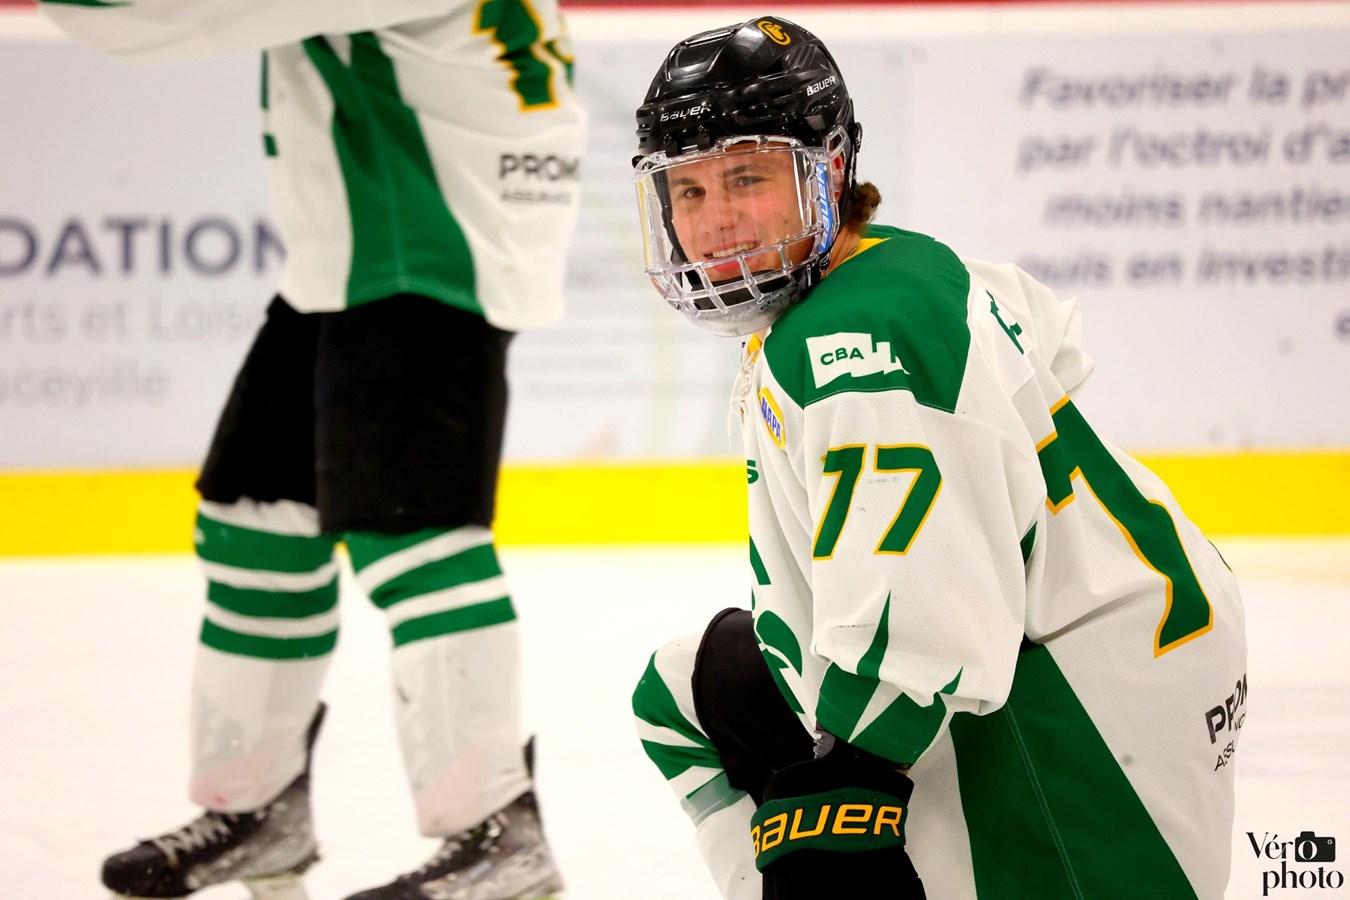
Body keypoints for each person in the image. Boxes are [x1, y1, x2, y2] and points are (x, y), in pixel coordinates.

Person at [628, 15, 1247, 900]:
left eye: (746, 178)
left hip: (1082, 746)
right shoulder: (892, 270)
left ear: (828, 170)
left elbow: (924, 628)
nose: (716, 220)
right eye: (688, 193)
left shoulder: (851, 337)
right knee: (688, 692)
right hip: (1114, 663)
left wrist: (845, 796)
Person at [39, 1, 585, 898]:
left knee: (414, 534)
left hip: (430, 249)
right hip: (353, 254)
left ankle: (498, 833)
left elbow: (156, 16)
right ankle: (257, 810)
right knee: (254, 515)